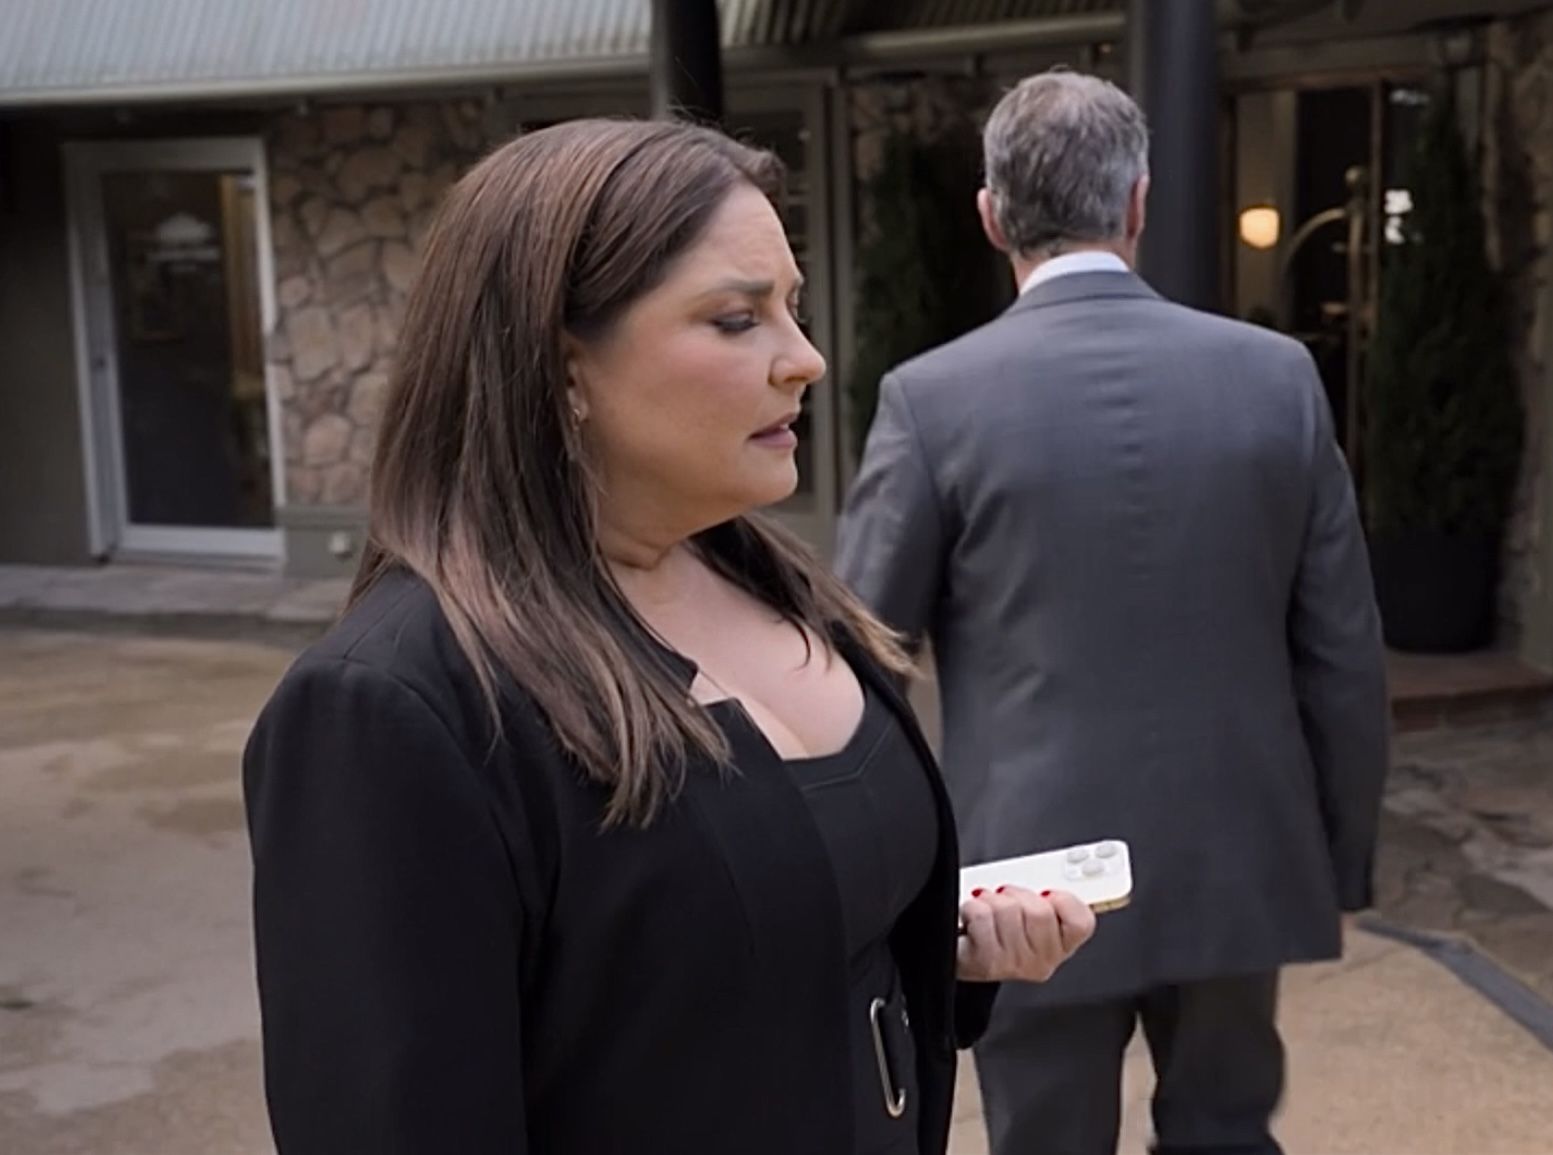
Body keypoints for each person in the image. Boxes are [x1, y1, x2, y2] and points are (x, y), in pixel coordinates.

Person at [242, 118, 1096, 1155]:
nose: (805, 359)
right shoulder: (395, 709)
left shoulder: (767, 574)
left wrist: (939, 951)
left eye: (792, 309)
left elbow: (708, 971)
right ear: (562, 365)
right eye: (736, 319)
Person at [836, 71, 1389, 1155]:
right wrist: (1339, 857)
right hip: (1236, 849)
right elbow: (1342, 651)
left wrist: (882, 887)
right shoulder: (1275, 376)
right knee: (1226, 1132)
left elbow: (858, 660)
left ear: (990, 215)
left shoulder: (931, 399)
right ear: (1138, 201)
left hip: (1027, 879)